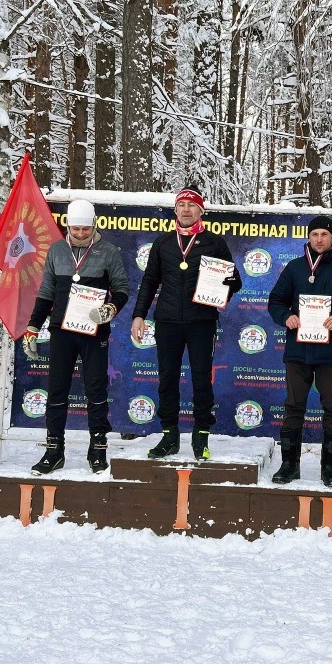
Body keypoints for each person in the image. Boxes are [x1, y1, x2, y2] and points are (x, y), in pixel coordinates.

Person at [131, 186, 242, 460]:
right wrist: (138, 315)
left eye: (191, 205)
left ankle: (201, 436)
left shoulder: (214, 242)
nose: (186, 210)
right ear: (175, 210)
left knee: (202, 379)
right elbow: (149, 282)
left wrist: (230, 282)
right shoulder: (163, 243)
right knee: (167, 378)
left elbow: (235, 281)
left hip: (201, 320)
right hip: (167, 321)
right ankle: (169, 436)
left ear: (201, 211)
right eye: (181, 205)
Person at [23, 199, 130, 475]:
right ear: (67, 226)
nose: (81, 234)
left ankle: (97, 449)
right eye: (76, 229)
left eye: (85, 229)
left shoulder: (108, 252)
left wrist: (111, 308)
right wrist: (34, 326)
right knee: (57, 389)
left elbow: (121, 289)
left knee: (96, 389)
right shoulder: (57, 251)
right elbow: (46, 292)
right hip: (62, 331)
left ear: (94, 225)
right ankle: (54, 450)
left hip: (94, 331)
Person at [267, 215, 332, 486]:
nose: (319, 239)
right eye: (314, 234)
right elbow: (275, 302)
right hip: (297, 352)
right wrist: (286, 317)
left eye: (324, 235)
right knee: (293, 407)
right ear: (308, 238)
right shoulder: (293, 269)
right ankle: (289, 465)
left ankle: (330, 467)